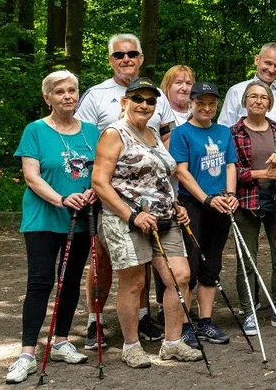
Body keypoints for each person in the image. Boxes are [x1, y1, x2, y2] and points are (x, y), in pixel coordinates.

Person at [91, 77, 202, 369]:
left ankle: (173, 343)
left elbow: (161, 177)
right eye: (138, 99)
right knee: (134, 282)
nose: (144, 105)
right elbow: (99, 183)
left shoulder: (153, 132)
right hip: (126, 219)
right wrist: (132, 215)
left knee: (180, 276)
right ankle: (131, 346)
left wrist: (176, 204)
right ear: (125, 102)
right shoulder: (114, 133)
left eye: (150, 100)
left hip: (165, 219)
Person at [76, 34, 176, 343]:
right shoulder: (96, 95)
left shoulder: (157, 94)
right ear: (110, 60)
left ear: (141, 57)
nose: (126, 59)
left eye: (132, 53)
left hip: (153, 197)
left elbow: (166, 135)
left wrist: (162, 176)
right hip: (110, 193)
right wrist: (94, 182)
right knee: (104, 261)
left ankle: (143, 317)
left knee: (142, 261)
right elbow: (81, 139)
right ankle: (96, 318)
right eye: (119, 55)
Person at [5, 71, 99, 384]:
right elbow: (32, 176)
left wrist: (93, 192)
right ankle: (27, 353)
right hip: (44, 219)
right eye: (60, 92)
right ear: (48, 97)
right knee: (41, 282)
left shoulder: (91, 131)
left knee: (70, 280)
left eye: (72, 90)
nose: (68, 96)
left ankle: (60, 341)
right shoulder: (35, 130)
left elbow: (102, 171)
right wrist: (62, 199)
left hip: (81, 219)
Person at [229, 80, 276, 334]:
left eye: (263, 97)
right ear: (245, 101)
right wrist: (261, 173)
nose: (258, 101)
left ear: (270, 103)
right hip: (246, 201)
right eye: (253, 97)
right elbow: (232, 170)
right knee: (246, 259)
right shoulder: (233, 132)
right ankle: (249, 311)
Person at [169, 82, 238, 345]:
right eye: (201, 103)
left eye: (211, 103)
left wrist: (230, 195)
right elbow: (181, 171)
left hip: (221, 203)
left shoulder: (223, 132)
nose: (206, 108)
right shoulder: (182, 133)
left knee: (213, 263)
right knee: (191, 264)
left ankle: (206, 321)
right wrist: (206, 199)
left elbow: (230, 165)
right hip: (194, 204)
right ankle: (185, 324)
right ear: (191, 104)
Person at [218, 43, 276, 140]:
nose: (272, 70)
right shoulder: (236, 91)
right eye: (268, 63)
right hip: (245, 151)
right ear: (256, 60)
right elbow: (224, 129)